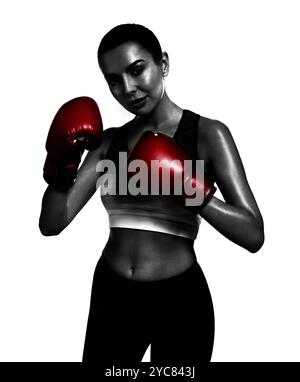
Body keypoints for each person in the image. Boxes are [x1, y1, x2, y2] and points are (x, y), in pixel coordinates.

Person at [39, 23, 264, 364]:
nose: (127, 88)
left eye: (137, 69)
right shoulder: (107, 142)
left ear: (164, 64)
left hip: (180, 300)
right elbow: (52, 224)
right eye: (114, 80)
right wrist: (60, 163)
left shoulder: (206, 134)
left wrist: (191, 190)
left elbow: (253, 234)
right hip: (112, 295)